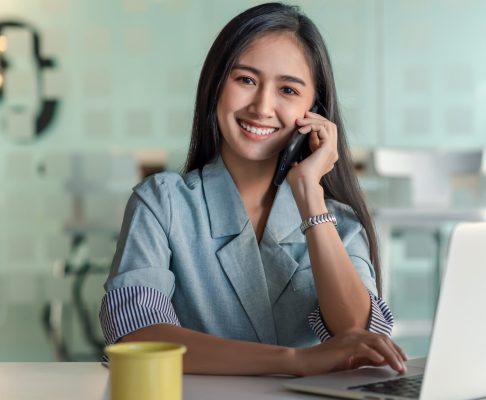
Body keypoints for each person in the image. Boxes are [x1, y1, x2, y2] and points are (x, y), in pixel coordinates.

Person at [99, 2, 406, 376]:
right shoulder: (162, 203)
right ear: (215, 86)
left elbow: (357, 337)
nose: (262, 107)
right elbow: (137, 336)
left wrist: (310, 196)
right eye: (245, 80)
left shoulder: (338, 222)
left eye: (288, 90)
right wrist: (296, 360)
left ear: (314, 111)